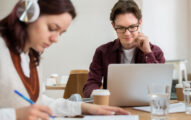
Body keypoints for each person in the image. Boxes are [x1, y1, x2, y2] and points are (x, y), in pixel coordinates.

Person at [0, 0, 129, 119]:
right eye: (52, 28)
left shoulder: (31, 56)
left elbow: (39, 102)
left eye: (60, 33)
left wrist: (85, 108)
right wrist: (14, 115)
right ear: (28, 14)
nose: (55, 39)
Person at [83, 0, 165, 98]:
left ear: (140, 22)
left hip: (146, 107)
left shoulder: (155, 52)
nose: (127, 33)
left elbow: (161, 87)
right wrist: (98, 95)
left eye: (132, 27)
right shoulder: (102, 52)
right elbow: (91, 84)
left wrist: (148, 52)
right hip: (113, 107)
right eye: (121, 28)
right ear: (113, 25)